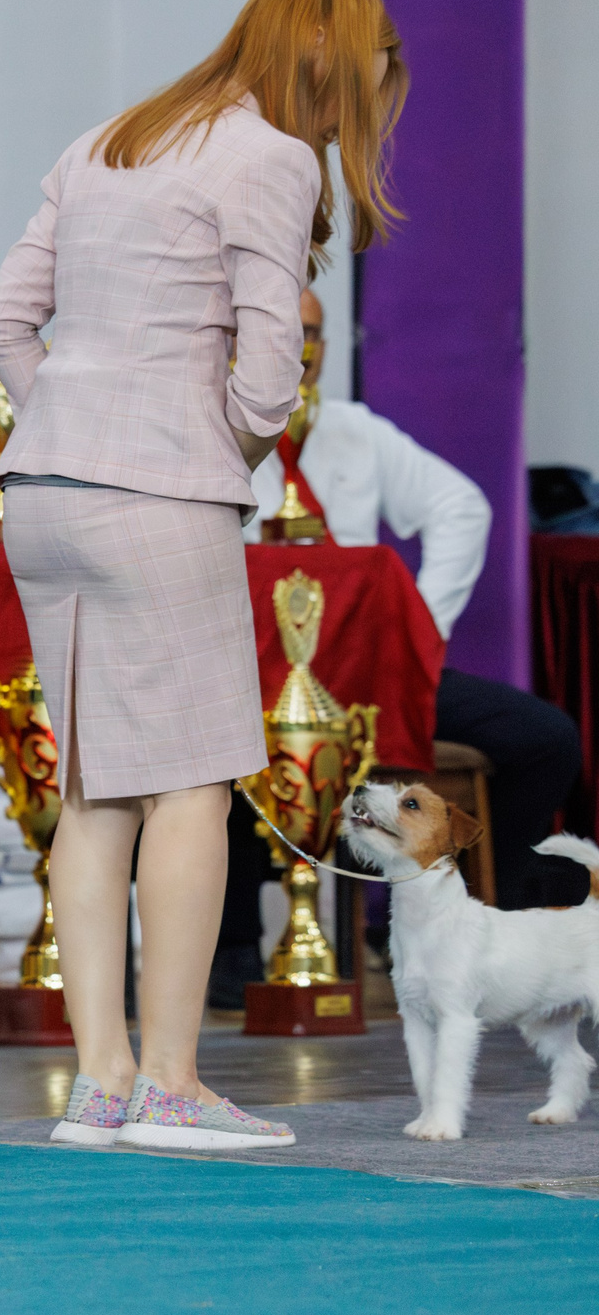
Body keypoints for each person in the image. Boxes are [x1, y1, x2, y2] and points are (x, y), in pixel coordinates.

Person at [0, 0, 407, 1150]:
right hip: (158, 493)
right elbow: (272, 362)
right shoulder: (265, 156)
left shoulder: (106, 138)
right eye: (369, 79)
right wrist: (215, 440)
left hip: (43, 488)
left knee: (93, 787)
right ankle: (169, 1085)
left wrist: (66, 415)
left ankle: (102, 1084)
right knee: (193, 783)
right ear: (324, 63)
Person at [208, 289, 585, 1002]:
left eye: (312, 333)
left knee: (544, 738)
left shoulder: (354, 429)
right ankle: (232, 950)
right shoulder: (209, 428)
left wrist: (423, 625)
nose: (302, 349)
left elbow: (461, 506)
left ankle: (468, 911)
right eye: (285, 333)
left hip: (371, 674)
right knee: (221, 752)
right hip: (251, 677)